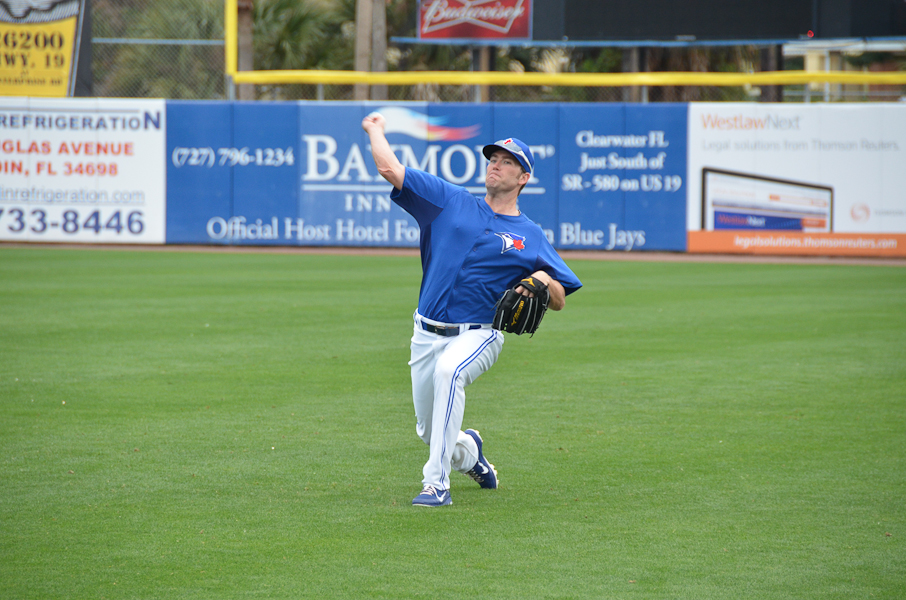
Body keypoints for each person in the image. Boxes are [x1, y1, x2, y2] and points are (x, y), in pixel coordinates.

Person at [362, 112, 582, 507]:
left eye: (507, 162)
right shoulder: (449, 200)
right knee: (430, 432)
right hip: (425, 332)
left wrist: (542, 279)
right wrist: (375, 129)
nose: (496, 165)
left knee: (450, 373)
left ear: (523, 178)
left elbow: (560, 296)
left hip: (479, 333)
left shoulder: (530, 235)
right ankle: (470, 455)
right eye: (493, 159)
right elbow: (389, 169)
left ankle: (436, 485)